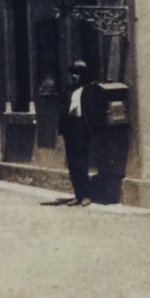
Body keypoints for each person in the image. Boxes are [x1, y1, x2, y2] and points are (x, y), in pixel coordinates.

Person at [58, 60, 93, 206]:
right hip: (70, 127)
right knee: (72, 163)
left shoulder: (89, 90)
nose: (74, 76)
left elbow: (93, 111)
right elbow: (62, 108)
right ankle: (78, 195)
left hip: (82, 127)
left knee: (82, 162)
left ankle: (86, 195)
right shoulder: (68, 90)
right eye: (73, 73)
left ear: (83, 75)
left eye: (77, 73)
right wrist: (62, 127)